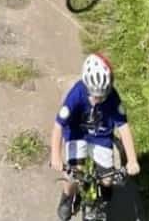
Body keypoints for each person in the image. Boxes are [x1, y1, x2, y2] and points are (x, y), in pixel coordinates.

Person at [51, 53, 140, 220]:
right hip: (77, 134)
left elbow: (123, 127)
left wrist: (132, 159)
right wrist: (55, 156)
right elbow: (58, 126)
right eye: (95, 96)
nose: (99, 99)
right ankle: (68, 197)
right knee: (72, 175)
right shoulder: (77, 93)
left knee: (107, 179)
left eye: (103, 95)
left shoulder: (113, 97)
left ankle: (105, 195)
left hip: (100, 137)